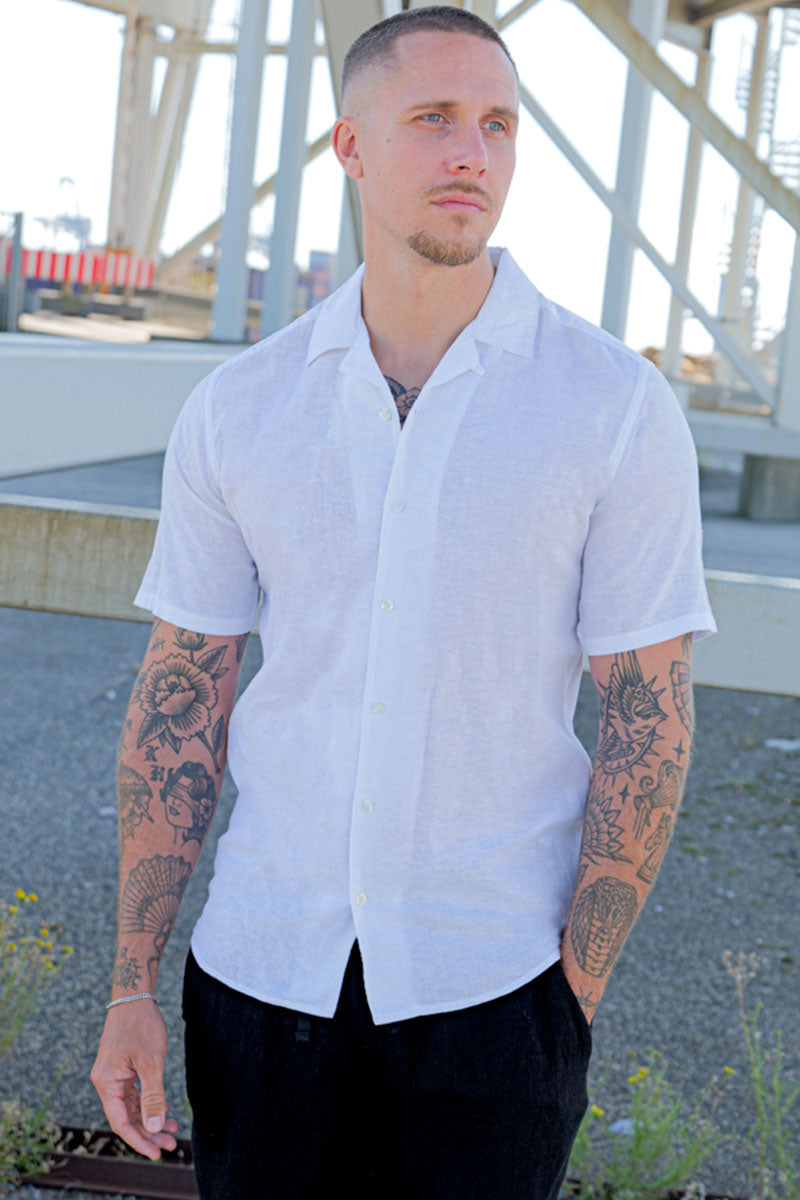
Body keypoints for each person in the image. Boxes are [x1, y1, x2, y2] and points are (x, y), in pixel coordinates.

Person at [91, 7, 716, 1198]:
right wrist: (131, 985)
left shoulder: (612, 407)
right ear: (350, 146)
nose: (470, 153)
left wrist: (568, 1001)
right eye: (432, 118)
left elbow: (648, 720)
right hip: (260, 981)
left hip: (495, 997)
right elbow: (179, 701)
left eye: (496, 125)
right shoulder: (241, 408)